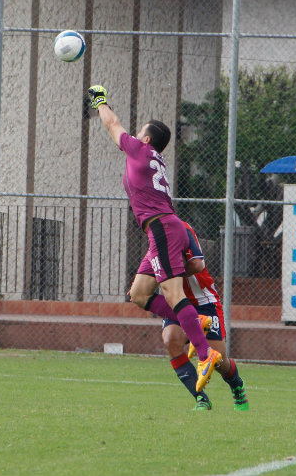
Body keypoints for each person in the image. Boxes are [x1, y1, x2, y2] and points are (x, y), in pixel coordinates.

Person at [88, 84, 221, 392]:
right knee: (138, 293)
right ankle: (195, 323)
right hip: (160, 230)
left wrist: (101, 101)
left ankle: (205, 353)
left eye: (139, 133)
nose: (133, 135)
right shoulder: (154, 159)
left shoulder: (139, 149)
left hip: (162, 229)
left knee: (174, 293)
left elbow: (111, 123)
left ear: (145, 139)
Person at [157, 221, 249, 411]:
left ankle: (236, 384)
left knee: (219, 361)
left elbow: (197, 264)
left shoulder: (180, 228)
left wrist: (172, 273)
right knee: (170, 339)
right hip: (177, 300)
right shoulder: (153, 235)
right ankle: (201, 398)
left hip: (204, 302)